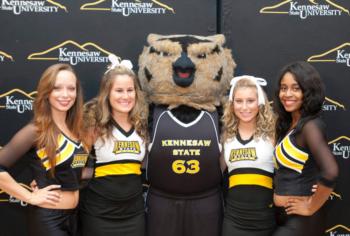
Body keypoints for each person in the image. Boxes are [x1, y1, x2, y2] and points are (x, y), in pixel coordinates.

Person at [0, 63, 90, 236]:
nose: (65, 94)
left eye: (71, 88)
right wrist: (29, 197)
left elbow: (76, 173)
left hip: (75, 218)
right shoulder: (36, 130)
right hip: (48, 221)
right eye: (57, 88)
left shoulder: (76, 130)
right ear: (46, 92)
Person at [79, 55, 148, 236]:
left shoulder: (142, 126)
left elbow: (141, 167)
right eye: (119, 91)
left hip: (134, 216)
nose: (126, 96)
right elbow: (76, 164)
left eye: (130, 90)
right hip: (99, 215)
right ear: (107, 93)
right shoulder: (94, 125)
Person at [272, 61, 338, 236]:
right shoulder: (288, 124)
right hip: (284, 216)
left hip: (302, 221)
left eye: (295, 88)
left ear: (307, 92)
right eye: (283, 88)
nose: (287, 94)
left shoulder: (310, 126)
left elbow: (330, 171)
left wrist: (310, 207)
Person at [221, 76, 276, 236]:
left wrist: (310, 181)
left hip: (265, 221)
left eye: (250, 100)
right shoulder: (226, 136)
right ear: (232, 104)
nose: (244, 107)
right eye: (239, 101)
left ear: (260, 103)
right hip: (233, 221)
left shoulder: (273, 132)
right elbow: (214, 173)